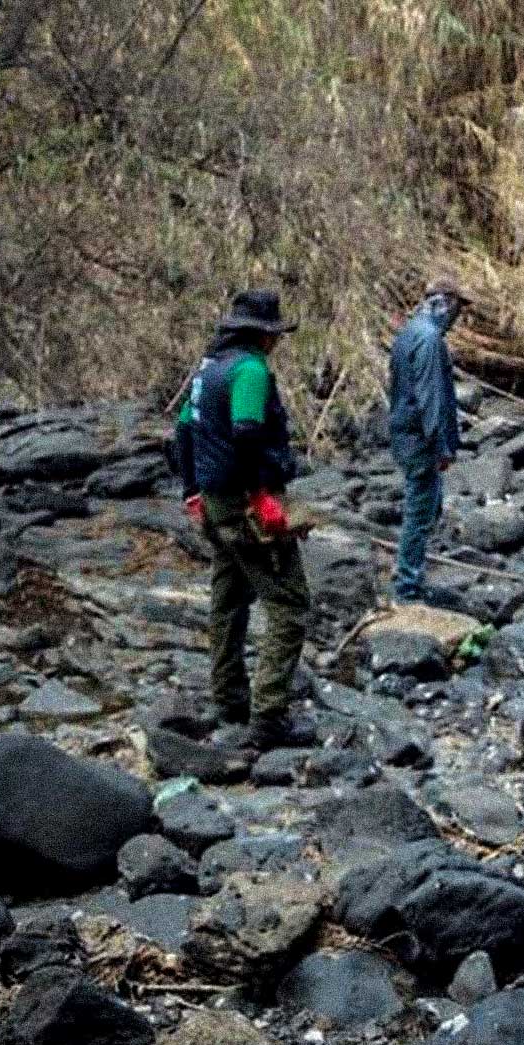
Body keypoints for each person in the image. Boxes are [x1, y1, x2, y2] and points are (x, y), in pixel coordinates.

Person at [173, 289, 311, 749]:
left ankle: (228, 699)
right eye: (275, 334)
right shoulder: (250, 370)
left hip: (214, 501)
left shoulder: (208, 369)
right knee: (289, 605)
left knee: (229, 599)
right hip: (245, 502)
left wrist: (192, 491)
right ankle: (269, 716)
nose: (277, 342)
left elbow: (183, 431)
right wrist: (262, 494)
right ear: (262, 335)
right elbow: (248, 431)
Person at [387, 278, 471, 604]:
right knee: (420, 514)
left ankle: (411, 572)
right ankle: (407, 586)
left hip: (405, 434)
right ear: (445, 303)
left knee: (427, 508)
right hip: (420, 440)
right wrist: (442, 447)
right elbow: (430, 398)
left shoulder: (409, 332)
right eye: (458, 309)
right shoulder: (430, 339)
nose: (457, 317)